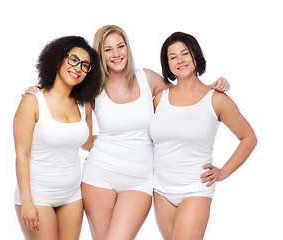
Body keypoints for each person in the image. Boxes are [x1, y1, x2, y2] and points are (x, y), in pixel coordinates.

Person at [24, 25, 229, 240]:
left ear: (127, 48)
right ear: (100, 55)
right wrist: (38, 93)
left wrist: (214, 87)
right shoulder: (93, 88)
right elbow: (69, 109)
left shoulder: (148, 79)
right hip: (99, 176)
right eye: (108, 49)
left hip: (139, 180)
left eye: (120, 46)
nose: (116, 53)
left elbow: (185, 92)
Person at [149, 32, 258, 240]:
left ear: (195, 56)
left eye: (185, 54)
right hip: (160, 189)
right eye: (173, 57)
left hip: (195, 189)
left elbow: (249, 138)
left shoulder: (216, 99)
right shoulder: (159, 99)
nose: (180, 60)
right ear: (168, 65)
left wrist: (224, 172)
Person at [13, 36, 101, 240]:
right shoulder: (32, 102)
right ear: (58, 60)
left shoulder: (84, 105)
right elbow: (22, 155)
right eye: (73, 60)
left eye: (85, 65)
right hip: (37, 196)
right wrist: (27, 202)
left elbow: (88, 143)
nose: (78, 68)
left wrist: (129, 139)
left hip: (72, 195)